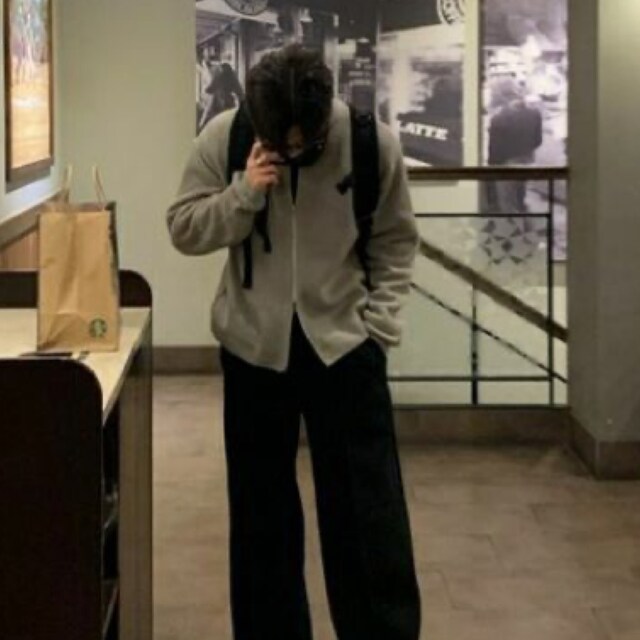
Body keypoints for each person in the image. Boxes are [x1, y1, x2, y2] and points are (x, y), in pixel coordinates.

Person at [167, 44, 422, 640]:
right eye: (279, 143)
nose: (293, 151)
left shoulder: (370, 143)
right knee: (261, 515)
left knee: (366, 513)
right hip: (253, 349)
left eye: (306, 144)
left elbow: (396, 240)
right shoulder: (225, 135)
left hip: (346, 349)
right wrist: (244, 193)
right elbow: (183, 227)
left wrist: (379, 328)